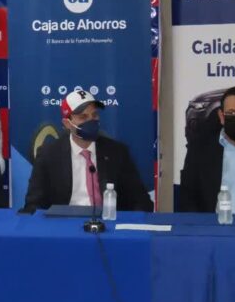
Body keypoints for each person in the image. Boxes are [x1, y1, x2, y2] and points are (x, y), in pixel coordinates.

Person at [22, 90, 153, 213]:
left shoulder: (117, 152)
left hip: (107, 222)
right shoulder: (49, 154)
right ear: (67, 123)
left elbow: (141, 201)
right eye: (83, 117)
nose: (91, 121)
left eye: (94, 115)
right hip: (64, 222)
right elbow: (33, 204)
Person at [179, 85, 235, 213]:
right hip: (216, 224)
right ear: (221, 116)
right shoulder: (200, 149)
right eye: (231, 113)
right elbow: (187, 196)